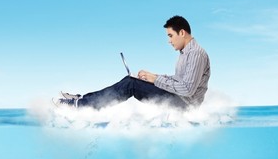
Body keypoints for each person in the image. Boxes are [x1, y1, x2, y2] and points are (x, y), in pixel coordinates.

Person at [54, 15, 210, 110]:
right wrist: (152, 76)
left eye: (170, 35)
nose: (169, 41)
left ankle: (80, 107)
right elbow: (179, 80)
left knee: (131, 84)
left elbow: (187, 89)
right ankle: (82, 100)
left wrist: (155, 80)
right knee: (131, 80)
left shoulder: (195, 54)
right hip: (178, 98)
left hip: (184, 105)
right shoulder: (186, 53)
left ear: (182, 33)